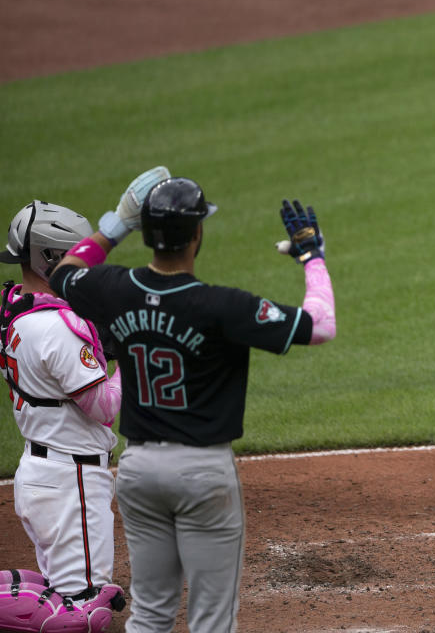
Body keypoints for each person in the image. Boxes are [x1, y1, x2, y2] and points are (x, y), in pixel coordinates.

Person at [47, 173, 337, 632]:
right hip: (202, 475)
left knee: (150, 615)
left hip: (138, 471)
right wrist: (312, 257)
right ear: (197, 234)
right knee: (211, 621)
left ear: (148, 235)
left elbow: (61, 273)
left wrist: (115, 226)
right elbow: (320, 325)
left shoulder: (113, 289)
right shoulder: (222, 306)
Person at [0, 200, 126, 633]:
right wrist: (134, 356)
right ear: (50, 258)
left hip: (43, 473)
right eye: (74, 255)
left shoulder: (17, 310)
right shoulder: (57, 327)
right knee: (83, 617)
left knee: (67, 591)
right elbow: (105, 407)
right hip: (71, 482)